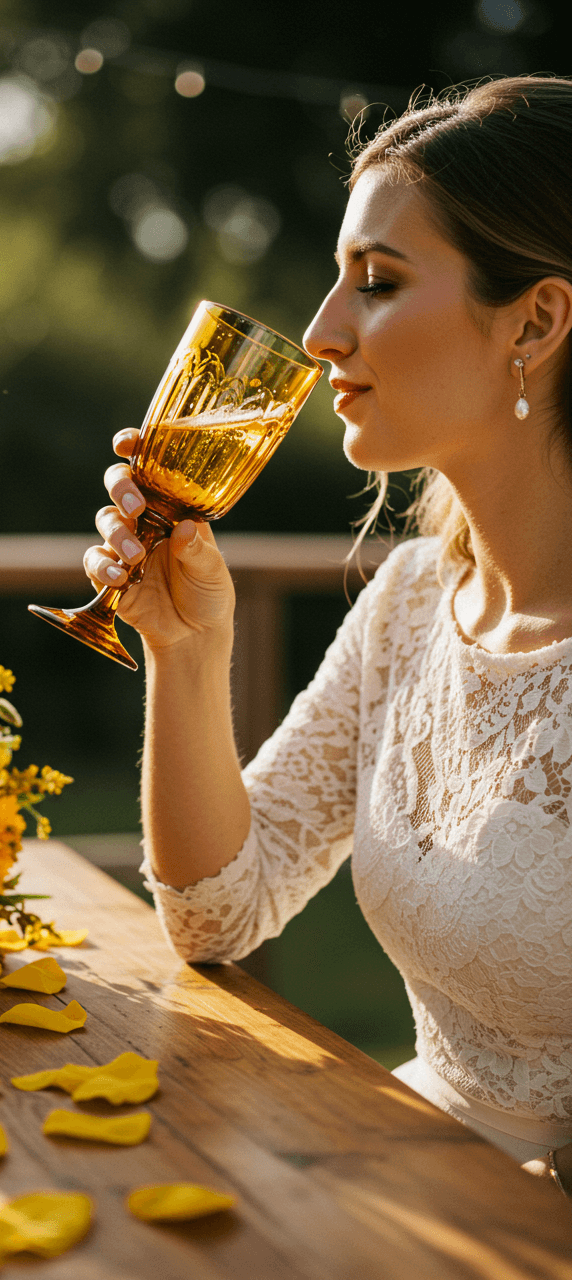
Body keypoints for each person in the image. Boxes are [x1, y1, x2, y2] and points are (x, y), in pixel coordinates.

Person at [84, 75, 572, 1194]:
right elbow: (217, 913)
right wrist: (185, 647)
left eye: (378, 282)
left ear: (535, 320)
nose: (317, 334)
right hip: (402, 1173)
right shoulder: (409, 601)